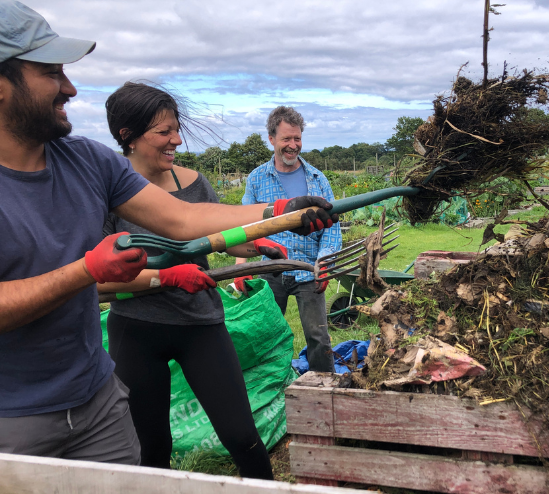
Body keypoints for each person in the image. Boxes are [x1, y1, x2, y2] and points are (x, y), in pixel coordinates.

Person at [0, 1, 337, 464]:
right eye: (50, 73)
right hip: (14, 417)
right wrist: (100, 272)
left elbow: (182, 220)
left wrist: (281, 209)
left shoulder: (85, 161)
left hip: (96, 398)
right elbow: (90, 281)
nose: (70, 87)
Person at [98, 83, 289, 479]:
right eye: (164, 132)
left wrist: (257, 246)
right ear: (126, 136)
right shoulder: (108, 192)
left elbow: (218, 240)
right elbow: (97, 280)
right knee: (152, 445)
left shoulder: (194, 183)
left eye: (176, 128)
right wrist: (166, 276)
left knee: (242, 435)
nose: (176, 140)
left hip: (200, 324)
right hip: (137, 330)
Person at [235, 106, 341, 373]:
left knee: (318, 338)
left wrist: (325, 262)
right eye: (286, 139)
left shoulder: (317, 179)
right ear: (271, 139)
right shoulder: (258, 179)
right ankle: (271, 385)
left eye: (297, 139)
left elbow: (332, 227)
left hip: (310, 271)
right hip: (271, 270)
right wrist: (241, 266)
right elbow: (245, 226)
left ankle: (325, 390)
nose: (293, 146)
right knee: (266, 336)